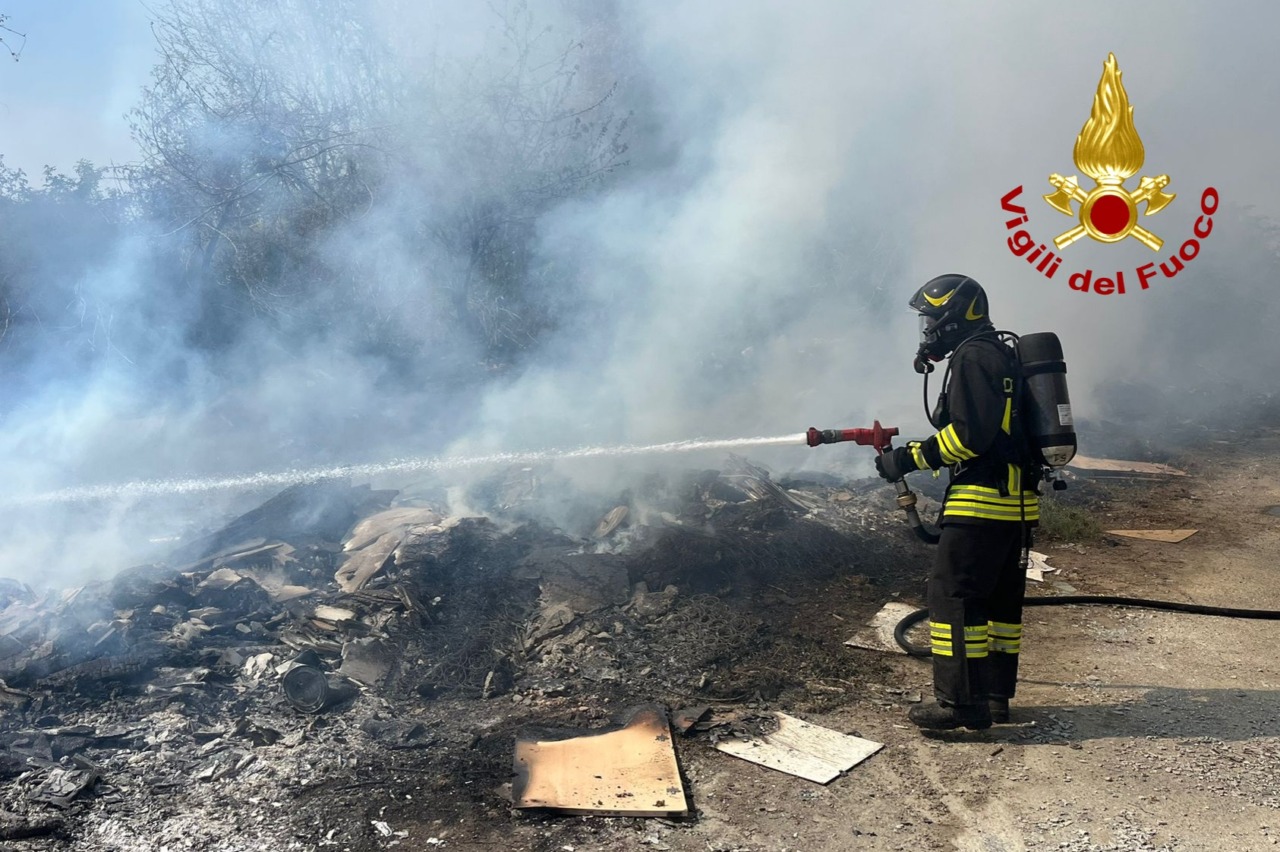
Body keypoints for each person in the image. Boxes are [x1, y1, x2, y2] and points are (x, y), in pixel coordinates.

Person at [874, 273, 1038, 731]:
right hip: (1015, 503)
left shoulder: (973, 356)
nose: (926, 328)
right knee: (999, 604)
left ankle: (960, 704)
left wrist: (908, 458)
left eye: (929, 317)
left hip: (981, 502)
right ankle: (993, 696)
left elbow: (971, 436)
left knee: (953, 599)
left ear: (953, 314)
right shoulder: (998, 354)